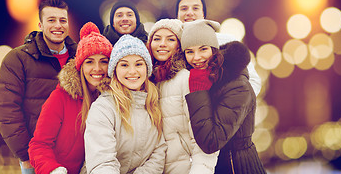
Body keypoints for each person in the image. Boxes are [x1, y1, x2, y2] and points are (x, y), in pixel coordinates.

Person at [0, 0, 78, 174]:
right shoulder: (17, 59)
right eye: (51, 20)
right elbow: (5, 110)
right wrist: (25, 155)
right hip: (37, 158)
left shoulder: (79, 59)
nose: (58, 25)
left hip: (77, 156)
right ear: (40, 24)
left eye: (62, 20)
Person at [181, 19, 266, 173]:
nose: (197, 57)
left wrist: (197, 91)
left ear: (214, 50)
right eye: (189, 52)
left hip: (237, 166)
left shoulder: (238, 85)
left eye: (203, 49)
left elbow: (210, 141)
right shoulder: (207, 76)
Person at [28, 22, 113, 174]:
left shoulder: (112, 99)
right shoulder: (61, 98)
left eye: (103, 61)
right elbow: (39, 145)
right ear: (80, 66)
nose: (97, 69)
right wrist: (53, 169)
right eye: (89, 62)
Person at [84, 34, 166, 174]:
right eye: (124, 65)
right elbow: (102, 162)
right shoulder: (103, 108)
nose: (132, 71)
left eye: (139, 64)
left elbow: (158, 154)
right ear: (115, 70)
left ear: (147, 68)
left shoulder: (153, 103)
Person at [147, 19, 219, 173]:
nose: (162, 44)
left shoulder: (187, 79)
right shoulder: (147, 83)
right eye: (157, 38)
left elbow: (203, 138)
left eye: (170, 39)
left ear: (179, 46)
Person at [175, 0, 262, 95]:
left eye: (195, 8)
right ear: (177, 15)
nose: (189, 12)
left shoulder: (226, 41)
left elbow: (253, 81)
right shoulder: (171, 46)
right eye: (184, 9)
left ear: (203, 14)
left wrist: (234, 105)